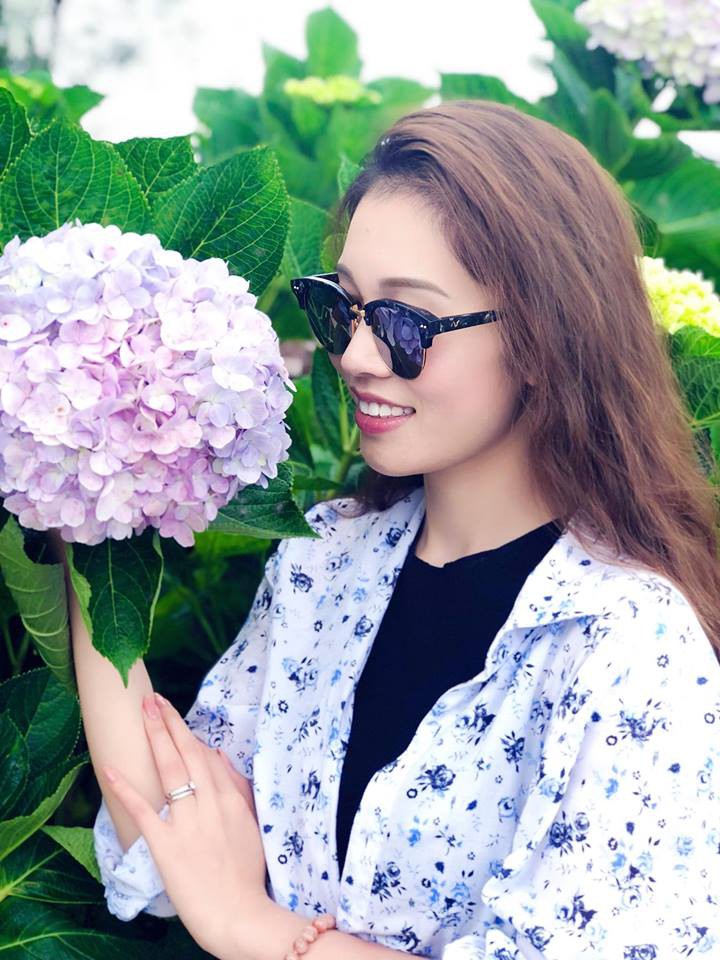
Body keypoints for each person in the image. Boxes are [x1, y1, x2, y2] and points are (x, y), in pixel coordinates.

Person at [68, 100, 720, 958]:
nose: (357, 357)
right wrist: (79, 489)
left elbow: (224, 903)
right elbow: (174, 831)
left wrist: (253, 929)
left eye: (407, 324)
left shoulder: (624, 640)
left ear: (545, 336)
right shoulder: (325, 562)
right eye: (343, 309)